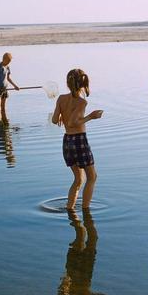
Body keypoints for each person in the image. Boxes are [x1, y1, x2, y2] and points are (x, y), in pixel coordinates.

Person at [51, 69, 103, 210]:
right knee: (92, 177)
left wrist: (62, 114)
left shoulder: (61, 99)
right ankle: (86, 210)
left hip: (67, 141)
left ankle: (70, 208)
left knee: (79, 179)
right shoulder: (81, 102)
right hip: (79, 141)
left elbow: (55, 120)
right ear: (83, 84)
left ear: (68, 83)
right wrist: (91, 116)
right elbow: (72, 123)